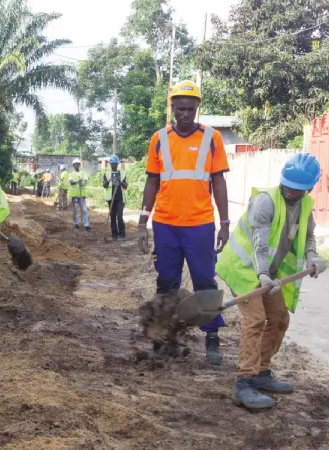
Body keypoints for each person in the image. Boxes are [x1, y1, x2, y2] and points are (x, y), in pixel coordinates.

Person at [216, 153, 328, 410]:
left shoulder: (305, 204)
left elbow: (308, 235)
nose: (290, 191)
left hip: (267, 272)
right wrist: (264, 276)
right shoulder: (265, 201)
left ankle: (261, 372)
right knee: (255, 319)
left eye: (297, 189)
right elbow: (260, 245)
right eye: (288, 185)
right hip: (243, 269)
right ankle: (244, 383)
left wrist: (313, 255)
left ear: (310, 188)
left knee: (279, 318)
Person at [137, 80, 230, 365]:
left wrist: (225, 222)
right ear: (172, 108)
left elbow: (218, 181)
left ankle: (212, 336)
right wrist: (142, 222)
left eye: (190, 109)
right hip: (165, 224)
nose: (185, 114)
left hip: (200, 225)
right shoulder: (159, 139)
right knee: (166, 282)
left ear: (197, 107)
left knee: (204, 281)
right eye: (180, 109)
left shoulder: (212, 138)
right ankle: (163, 339)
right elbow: (152, 182)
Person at [103, 155, 128, 241]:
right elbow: (104, 185)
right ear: (110, 164)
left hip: (120, 198)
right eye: (112, 163)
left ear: (117, 164)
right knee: (112, 216)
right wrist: (109, 180)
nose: (113, 165)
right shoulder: (107, 174)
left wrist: (120, 182)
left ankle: (122, 234)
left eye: (115, 163)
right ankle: (114, 235)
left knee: (119, 216)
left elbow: (125, 186)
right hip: (110, 198)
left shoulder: (122, 174)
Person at [69, 158, 91, 232]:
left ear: (80, 165)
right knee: (75, 210)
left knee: (84, 210)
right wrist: (77, 181)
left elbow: (86, 181)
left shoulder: (83, 173)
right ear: (73, 165)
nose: (77, 165)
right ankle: (76, 224)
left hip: (82, 195)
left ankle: (86, 225)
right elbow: (71, 182)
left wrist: (83, 183)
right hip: (75, 196)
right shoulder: (71, 174)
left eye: (78, 164)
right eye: (76, 164)